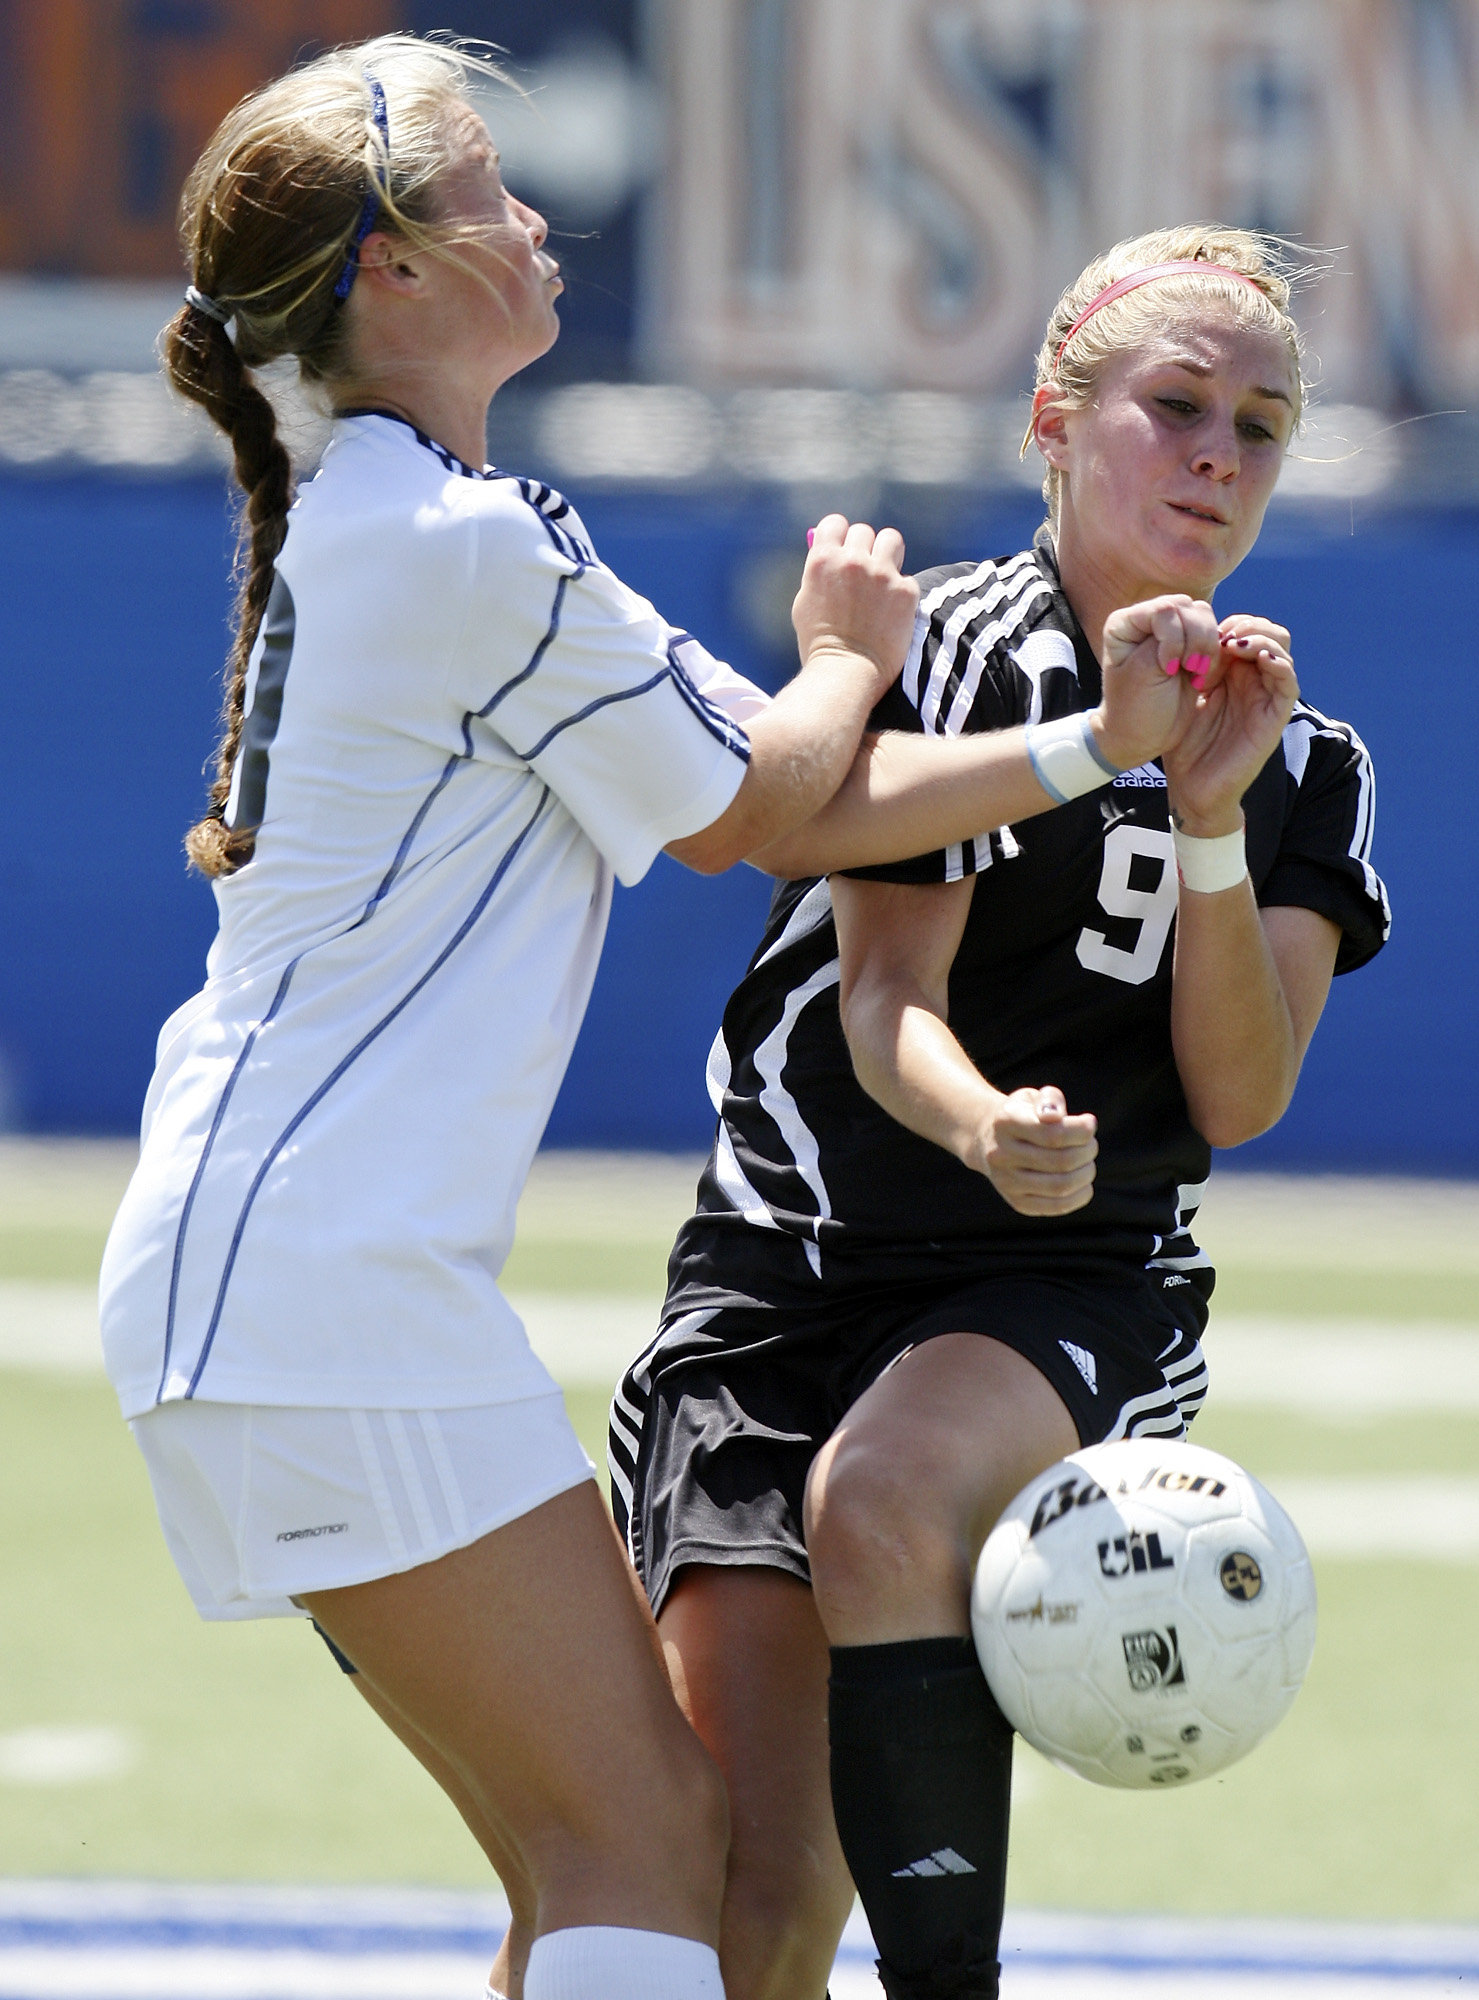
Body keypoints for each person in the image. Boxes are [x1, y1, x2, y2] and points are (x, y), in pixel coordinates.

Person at [97, 37, 1194, 2000]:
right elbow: (772, 804)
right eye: (486, 193)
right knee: (647, 1845)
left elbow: (791, 791)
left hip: (274, 1282)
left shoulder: (407, 518)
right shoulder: (466, 545)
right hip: (321, 1288)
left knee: (597, 1859)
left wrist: (1064, 740)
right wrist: (863, 657)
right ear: (392, 275)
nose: (533, 221)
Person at [610, 226, 1391, 2000]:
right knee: (752, 1898)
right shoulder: (960, 648)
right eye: (1175, 406)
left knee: (883, 1501)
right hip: (787, 1266)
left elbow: (1239, 1095)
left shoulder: (1304, 755)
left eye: (1262, 426)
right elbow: (890, 1013)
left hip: (1067, 1269)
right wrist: (980, 1120)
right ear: (1056, 416)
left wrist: (1207, 815)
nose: (1217, 455)